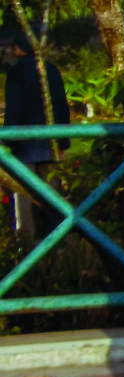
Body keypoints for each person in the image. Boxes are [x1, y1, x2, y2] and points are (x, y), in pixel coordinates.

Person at [0, 31, 70, 239]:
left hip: (25, 144)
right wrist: (63, 141)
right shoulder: (51, 70)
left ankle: (25, 241)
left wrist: (8, 140)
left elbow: (14, 109)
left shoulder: (16, 73)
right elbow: (61, 106)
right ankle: (58, 237)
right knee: (53, 194)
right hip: (51, 141)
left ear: (19, 49)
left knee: (23, 194)